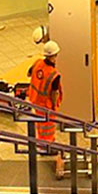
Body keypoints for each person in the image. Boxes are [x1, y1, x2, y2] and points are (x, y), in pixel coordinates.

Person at [26, 40, 65, 179]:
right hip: (46, 104)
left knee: (40, 124)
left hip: (35, 99)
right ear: (54, 56)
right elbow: (54, 93)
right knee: (48, 126)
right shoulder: (54, 74)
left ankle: (43, 143)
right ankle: (46, 147)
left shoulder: (37, 63)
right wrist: (54, 106)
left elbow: (29, 74)